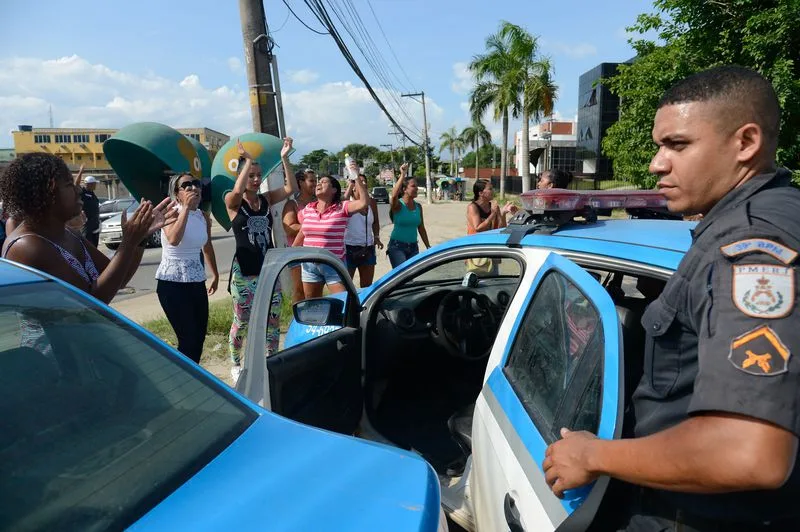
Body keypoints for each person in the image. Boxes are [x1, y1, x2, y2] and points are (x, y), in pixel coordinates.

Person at [542, 66, 800, 530]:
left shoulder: (752, 247)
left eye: (677, 145)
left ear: (745, 143)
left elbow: (748, 452)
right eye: (660, 146)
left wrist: (593, 454)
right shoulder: (771, 214)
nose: (656, 164)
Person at [1, 153, 175, 303]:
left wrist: (139, 239)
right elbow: (91, 302)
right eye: (69, 184)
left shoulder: (67, 233)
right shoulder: (28, 245)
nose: (78, 191)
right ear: (48, 192)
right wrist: (128, 242)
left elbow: (118, 279)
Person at [226, 137, 298, 383]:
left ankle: (270, 362)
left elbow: (291, 189)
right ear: (242, 176)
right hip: (244, 274)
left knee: (272, 321)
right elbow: (236, 191)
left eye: (258, 176)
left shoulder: (265, 200)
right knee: (242, 322)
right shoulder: (232, 202)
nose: (256, 180)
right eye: (251, 175)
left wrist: (284, 158)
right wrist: (245, 160)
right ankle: (236, 363)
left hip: (268, 269)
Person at [155, 173, 219, 365]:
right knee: (188, 339)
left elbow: (207, 246)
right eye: (187, 186)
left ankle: (193, 376)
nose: (193, 188)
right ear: (177, 193)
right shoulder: (170, 212)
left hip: (196, 281)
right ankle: (184, 379)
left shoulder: (203, 217)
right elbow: (174, 239)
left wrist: (215, 274)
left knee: (199, 338)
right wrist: (184, 209)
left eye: (196, 184)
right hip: (172, 283)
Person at [292, 164, 370, 298]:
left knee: (342, 304)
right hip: (310, 266)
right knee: (313, 306)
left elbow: (363, 203)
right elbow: (303, 233)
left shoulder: (342, 207)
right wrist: (291, 254)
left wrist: (356, 176)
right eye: (318, 182)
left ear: (334, 189)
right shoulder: (308, 209)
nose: (319, 184)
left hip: (333, 264)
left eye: (324, 182)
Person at [282, 168, 317, 303]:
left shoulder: (319, 202)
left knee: (314, 292)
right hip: (299, 254)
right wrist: (314, 226)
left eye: (316, 181)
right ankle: (299, 320)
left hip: (317, 252)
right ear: (301, 183)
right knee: (300, 291)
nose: (315, 184)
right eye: (311, 181)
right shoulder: (292, 204)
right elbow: (289, 228)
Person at [343, 173, 383, 287]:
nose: (364, 183)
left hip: (367, 248)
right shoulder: (346, 202)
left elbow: (375, 222)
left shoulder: (372, 202)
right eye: (359, 181)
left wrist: (376, 237)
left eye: (365, 181)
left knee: (367, 287)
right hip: (348, 249)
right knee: (347, 286)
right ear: (353, 185)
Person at [387, 163, 431, 268]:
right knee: (402, 277)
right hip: (397, 247)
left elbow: (421, 228)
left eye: (416, 186)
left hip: (413, 247)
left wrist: (428, 246)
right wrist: (402, 175)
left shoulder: (418, 207)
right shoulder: (398, 205)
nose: (416, 188)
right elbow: (393, 195)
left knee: (411, 279)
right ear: (404, 189)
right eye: (413, 186)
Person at [79, 171, 101, 247]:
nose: (95, 185)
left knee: (95, 245)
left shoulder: (92, 194)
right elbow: (76, 184)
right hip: (87, 224)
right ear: (89, 184)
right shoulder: (82, 192)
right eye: (94, 183)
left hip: (95, 223)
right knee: (88, 245)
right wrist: (80, 172)